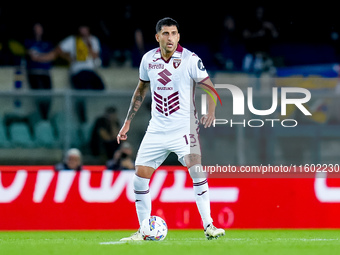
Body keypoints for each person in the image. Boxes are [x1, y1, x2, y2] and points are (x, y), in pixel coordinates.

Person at [117, 17, 225, 241]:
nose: (170, 38)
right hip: (156, 128)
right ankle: (143, 231)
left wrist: (211, 112)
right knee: (140, 178)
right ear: (158, 37)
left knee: (196, 170)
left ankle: (209, 226)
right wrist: (128, 121)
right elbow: (140, 91)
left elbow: (211, 89)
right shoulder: (148, 60)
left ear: (179, 36)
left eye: (174, 33)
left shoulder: (190, 59)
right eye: (166, 33)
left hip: (184, 128)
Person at [25, 22, 54, 119]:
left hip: (45, 73)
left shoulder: (47, 43)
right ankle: (42, 117)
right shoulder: (29, 42)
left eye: (39, 28)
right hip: (34, 72)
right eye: (36, 28)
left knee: (49, 95)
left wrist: (40, 57)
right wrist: (44, 57)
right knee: (39, 96)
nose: (38, 30)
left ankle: (46, 117)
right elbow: (32, 56)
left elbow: (52, 56)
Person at [242, 6, 278, 73]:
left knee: (271, 68)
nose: (260, 14)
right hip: (253, 54)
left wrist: (272, 28)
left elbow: (275, 36)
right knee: (250, 64)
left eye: (262, 12)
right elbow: (245, 35)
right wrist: (257, 34)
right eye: (258, 12)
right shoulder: (251, 23)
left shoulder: (268, 24)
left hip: (264, 54)